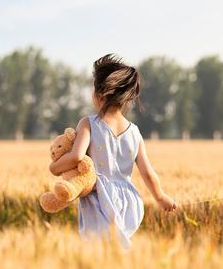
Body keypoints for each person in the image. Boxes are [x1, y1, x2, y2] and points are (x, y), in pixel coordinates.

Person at [49, 54, 176, 247]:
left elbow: (76, 156)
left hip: (100, 199)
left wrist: (55, 167)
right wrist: (161, 197)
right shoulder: (135, 132)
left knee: (99, 250)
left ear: (100, 92)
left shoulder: (89, 123)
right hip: (129, 201)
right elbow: (148, 173)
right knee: (117, 249)